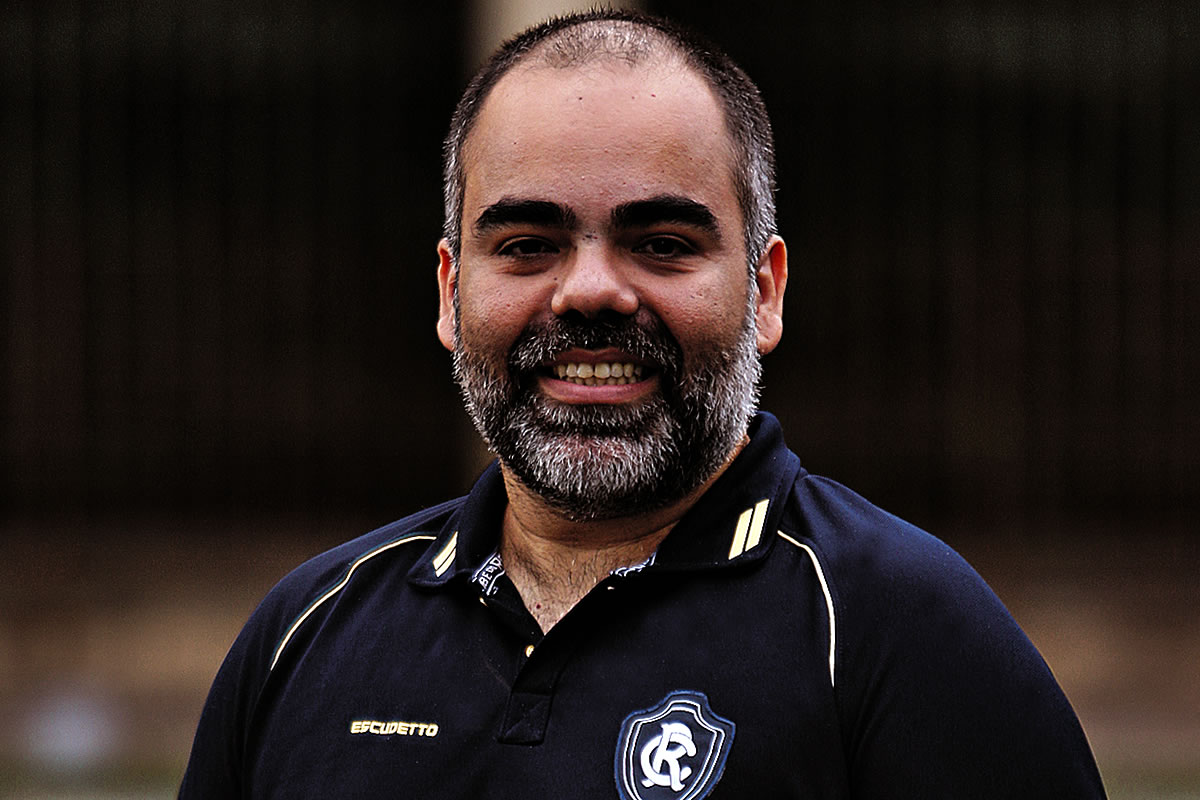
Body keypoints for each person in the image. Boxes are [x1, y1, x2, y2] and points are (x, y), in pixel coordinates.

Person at [179, 10, 1106, 799]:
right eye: (528, 244)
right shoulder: (303, 634)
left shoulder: (903, 630)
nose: (590, 291)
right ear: (451, 293)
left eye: (661, 242)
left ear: (765, 292)